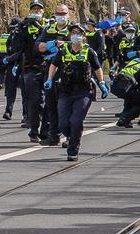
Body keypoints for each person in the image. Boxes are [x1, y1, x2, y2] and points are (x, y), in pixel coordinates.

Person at [44, 23, 108, 161]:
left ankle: (73, 149)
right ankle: (71, 135)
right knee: (63, 123)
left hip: (83, 91)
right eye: (73, 32)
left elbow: (97, 68)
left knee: (76, 121)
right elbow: (53, 65)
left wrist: (102, 82)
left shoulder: (89, 51)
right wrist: (49, 79)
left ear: (84, 36)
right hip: (65, 91)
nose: (76, 35)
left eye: (79, 33)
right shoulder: (63, 50)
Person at [10, 1, 48, 139]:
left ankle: (46, 131)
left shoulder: (49, 26)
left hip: (49, 67)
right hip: (31, 68)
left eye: (39, 9)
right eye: (34, 9)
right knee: (34, 100)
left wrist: (41, 27)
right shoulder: (24, 27)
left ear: (43, 11)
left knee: (48, 101)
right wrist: (20, 28)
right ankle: (33, 130)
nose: (36, 11)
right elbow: (16, 47)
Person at [36, 3, 71, 147]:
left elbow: (80, 45)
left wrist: (63, 44)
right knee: (51, 103)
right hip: (50, 69)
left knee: (66, 104)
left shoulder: (73, 30)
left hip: (68, 70)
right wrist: (51, 44)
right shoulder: (48, 30)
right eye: (58, 13)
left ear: (68, 14)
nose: (61, 16)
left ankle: (70, 136)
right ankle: (54, 135)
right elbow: (39, 47)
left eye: (63, 13)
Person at [112, 57, 140, 128]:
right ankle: (124, 119)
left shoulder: (135, 60)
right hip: (126, 85)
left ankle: (122, 120)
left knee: (130, 99)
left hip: (119, 84)